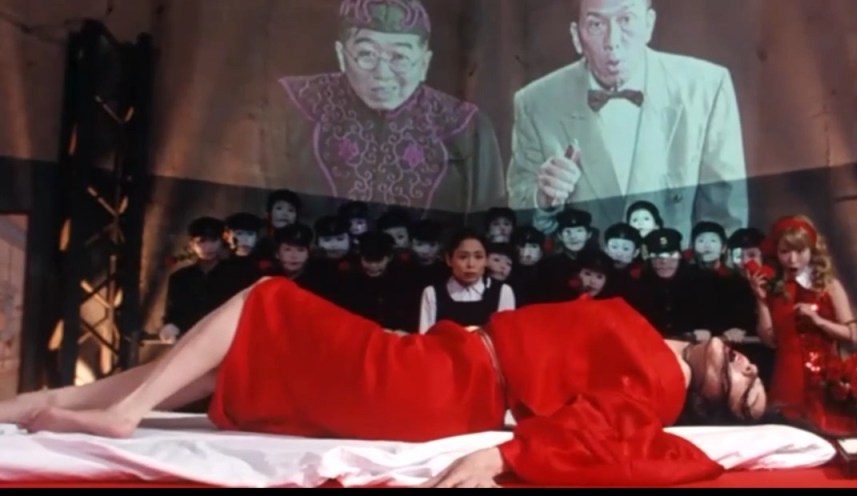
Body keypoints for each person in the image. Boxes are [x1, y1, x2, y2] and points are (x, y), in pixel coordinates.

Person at [0, 277, 766, 488]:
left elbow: (607, 435)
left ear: (712, 404)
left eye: (746, 389)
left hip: (441, 386)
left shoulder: (664, 383)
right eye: (747, 365)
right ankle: (37, 405)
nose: (745, 368)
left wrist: (501, 456)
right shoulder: (664, 346)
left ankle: (126, 412)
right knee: (218, 361)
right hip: (442, 363)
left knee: (267, 299)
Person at [506, 0, 748, 237]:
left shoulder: (707, 88)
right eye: (596, 24)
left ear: (649, 24)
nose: (613, 41)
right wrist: (543, 200)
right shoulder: (535, 103)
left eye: (626, 20)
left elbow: (727, 219)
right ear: (576, 36)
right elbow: (517, 221)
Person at [278, 0, 506, 215]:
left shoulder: (465, 127)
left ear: (424, 63)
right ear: (341, 55)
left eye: (400, 57)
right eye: (366, 54)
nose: (382, 74)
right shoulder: (293, 108)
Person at [747, 215, 857, 436]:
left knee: (826, 434)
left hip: (823, 378)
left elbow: (852, 334)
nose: (792, 259)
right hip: (786, 376)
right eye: (785, 252)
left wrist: (819, 321)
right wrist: (761, 299)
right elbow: (769, 340)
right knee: (787, 436)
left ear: (812, 251)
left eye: (799, 251)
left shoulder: (828, 286)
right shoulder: (776, 289)